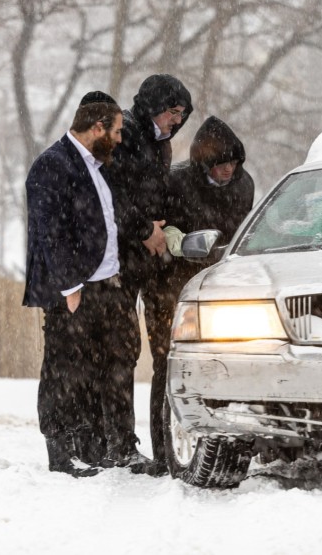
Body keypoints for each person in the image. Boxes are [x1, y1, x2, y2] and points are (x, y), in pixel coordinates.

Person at [23, 91, 137, 477]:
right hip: (71, 290)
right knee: (63, 370)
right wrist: (70, 287)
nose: (119, 139)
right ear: (98, 127)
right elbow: (50, 232)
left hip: (103, 285)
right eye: (116, 131)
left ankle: (91, 447)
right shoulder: (52, 165)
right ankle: (61, 453)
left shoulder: (96, 166)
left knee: (92, 370)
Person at [152, 116, 254, 468]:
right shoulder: (176, 181)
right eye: (221, 163)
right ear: (204, 162)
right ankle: (163, 450)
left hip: (221, 282)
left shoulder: (244, 184)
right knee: (167, 364)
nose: (229, 170)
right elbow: (160, 225)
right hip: (171, 283)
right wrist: (176, 242)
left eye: (234, 163)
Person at [104, 73, 192, 475]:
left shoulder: (161, 144)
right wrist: (144, 230)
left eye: (182, 114)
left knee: (157, 351)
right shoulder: (124, 134)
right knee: (120, 351)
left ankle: (156, 447)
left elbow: (153, 197)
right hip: (117, 260)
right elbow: (113, 197)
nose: (177, 120)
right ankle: (117, 443)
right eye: (172, 111)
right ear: (154, 106)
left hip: (148, 260)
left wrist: (165, 229)